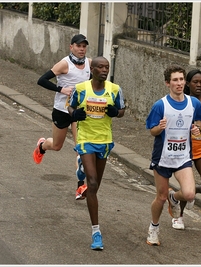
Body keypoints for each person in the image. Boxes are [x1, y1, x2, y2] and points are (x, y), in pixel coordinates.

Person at [67, 56, 125, 250]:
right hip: (85, 139)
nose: (104, 70)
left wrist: (115, 112)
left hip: (105, 141)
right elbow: (70, 105)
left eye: (106, 67)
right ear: (92, 69)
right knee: (91, 183)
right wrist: (74, 114)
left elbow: (122, 110)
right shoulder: (82, 88)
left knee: (95, 187)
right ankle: (96, 232)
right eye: (100, 67)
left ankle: (82, 168)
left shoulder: (114, 89)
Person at [145, 64, 201, 246]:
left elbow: (198, 125)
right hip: (162, 157)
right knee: (161, 197)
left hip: (182, 157)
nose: (179, 83)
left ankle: (175, 198)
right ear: (167, 83)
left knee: (189, 194)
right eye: (175, 80)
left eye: (181, 79)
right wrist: (159, 127)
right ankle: (154, 228)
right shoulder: (160, 105)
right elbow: (152, 131)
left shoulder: (193, 103)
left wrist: (195, 130)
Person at [32, 34, 92, 200]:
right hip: (61, 110)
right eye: (78, 46)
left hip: (78, 112)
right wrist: (61, 89)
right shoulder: (64, 64)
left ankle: (80, 187)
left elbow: (92, 83)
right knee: (57, 145)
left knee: (80, 149)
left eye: (84, 46)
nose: (81, 49)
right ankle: (42, 145)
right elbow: (41, 80)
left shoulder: (89, 64)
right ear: (71, 47)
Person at [170, 69, 201, 230]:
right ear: (188, 84)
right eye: (195, 82)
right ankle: (179, 217)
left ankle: (181, 196)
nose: (198, 85)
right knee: (187, 187)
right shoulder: (183, 102)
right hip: (185, 150)